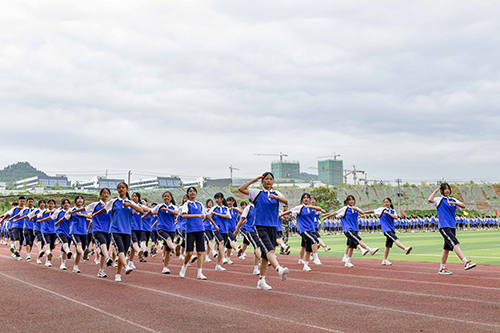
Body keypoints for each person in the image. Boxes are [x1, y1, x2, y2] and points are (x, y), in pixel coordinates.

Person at [238, 172, 290, 290]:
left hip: (273, 226)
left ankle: (261, 281)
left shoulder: (276, 193)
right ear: (262, 181)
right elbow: (241, 189)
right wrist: (254, 180)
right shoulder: (257, 193)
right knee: (270, 250)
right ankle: (279, 269)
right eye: (266, 179)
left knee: (266, 256)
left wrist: (275, 197)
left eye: (271, 179)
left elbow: (285, 201)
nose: (268, 181)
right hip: (260, 226)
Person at [93, 182, 144, 282]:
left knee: (123, 253)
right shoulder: (114, 201)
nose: (121, 189)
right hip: (115, 230)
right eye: (119, 188)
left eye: (123, 188)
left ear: (127, 190)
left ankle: (118, 274)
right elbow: (104, 209)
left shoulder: (130, 203)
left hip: (127, 231)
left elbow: (141, 211)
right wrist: (95, 214)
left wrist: (130, 205)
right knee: (120, 249)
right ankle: (126, 266)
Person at [428, 183, 476, 275]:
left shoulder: (453, 199)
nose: (447, 190)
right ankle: (466, 262)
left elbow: (463, 206)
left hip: (452, 226)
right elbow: (430, 199)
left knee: (446, 248)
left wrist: (454, 203)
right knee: (455, 243)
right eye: (445, 189)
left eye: (448, 189)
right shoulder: (439, 200)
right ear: (442, 191)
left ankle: (442, 268)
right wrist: (436, 191)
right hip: (444, 226)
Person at [324, 195, 379, 268]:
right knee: (359, 240)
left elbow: (362, 213)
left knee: (351, 246)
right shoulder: (345, 208)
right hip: (348, 229)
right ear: (347, 201)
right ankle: (369, 249)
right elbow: (336, 213)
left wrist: (355, 208)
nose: (351, 201)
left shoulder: (356, 209)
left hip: (355, 229)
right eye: (349, 200)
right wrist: (327, 217)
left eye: (353, 199)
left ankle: (347, 261)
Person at [178, 187, 218, 280]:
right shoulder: (186, 204)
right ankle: (184, 266)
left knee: (200, 252)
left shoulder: (200, 204)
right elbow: (184, 215)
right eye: (190, 191)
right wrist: (196, 215)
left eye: (194, 191)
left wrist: (214, 225)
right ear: (187, 194)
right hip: (190, 230)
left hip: (200, 230)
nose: (192, 193)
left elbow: (207, 215)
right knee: (189, 252)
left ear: (196, 193)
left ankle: (200, 272)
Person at [280, 193, 324, 272]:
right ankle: (316, 258)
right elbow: (289, 211)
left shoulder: (312, 208)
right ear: (302, 200)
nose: (306, 199)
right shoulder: (299, 208)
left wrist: (310, 206)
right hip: (303, 230)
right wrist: (280, 215)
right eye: (304, 198)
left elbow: (322, 210)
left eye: (308, 198)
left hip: (311, 230)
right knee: (315, 240)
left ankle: (306, 266)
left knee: (307, 249)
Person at [364, 198, 412, 265]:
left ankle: (384, 260)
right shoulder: (382, 209)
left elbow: (396, 217)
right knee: (395, 239)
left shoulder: (392, 211)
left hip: (392, 229)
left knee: (388, 246)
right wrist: (362, 212)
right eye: (385, 202)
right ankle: (405, 248)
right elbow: (372, 211)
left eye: (387, 202)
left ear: (390, 203)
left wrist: (388, 213)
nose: (386, 203)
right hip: (386, 230)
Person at [145, 191, 178, 274]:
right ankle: (175, 249)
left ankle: (165, 267)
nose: (166, 197)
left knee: (167, 251)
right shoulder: (159, 206)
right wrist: (144, 216)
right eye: (165, 196)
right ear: (163, 198)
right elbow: (151, 211)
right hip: (161, 228)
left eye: (168, 196)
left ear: (171, 198)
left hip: (171, 229)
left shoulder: (174, 207)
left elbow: (177, 213)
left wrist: (168, 209)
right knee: (168, 239)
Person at [86, 188, 113, 278]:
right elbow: (85, 209)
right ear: (100, 194)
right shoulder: (95, 205)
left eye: (107, 193)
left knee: (103, 252)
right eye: (104, 193)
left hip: (108, 230)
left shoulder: (110, 205)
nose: (106, 195)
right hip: (97, 229)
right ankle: (108, 258)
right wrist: (75, 211)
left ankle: (101, 270)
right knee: (102, 242)